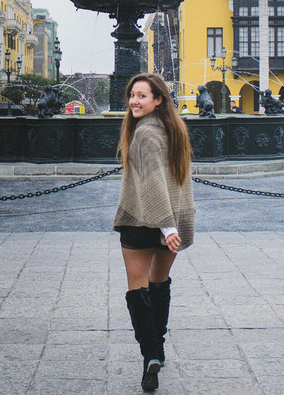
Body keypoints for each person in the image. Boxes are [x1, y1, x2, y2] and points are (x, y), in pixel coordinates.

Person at [114, 73, 195, 392]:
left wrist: (166, 225)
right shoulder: (174, 128)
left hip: (143, 221)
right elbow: (179, 181)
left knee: (138, 289)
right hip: (169, 224)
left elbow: (151, 183)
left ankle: (151, 355)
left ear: (158, 99)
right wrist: (175, 223)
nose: (134, 101)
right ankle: (158, 348)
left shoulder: (144, 133)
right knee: (159, 284)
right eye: (132, 95)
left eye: (142, 96)